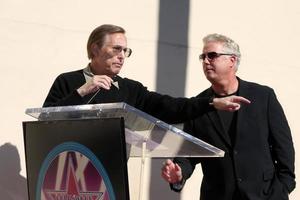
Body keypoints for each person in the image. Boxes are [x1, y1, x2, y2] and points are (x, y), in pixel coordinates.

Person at [161, 33, 295, 200]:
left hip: (265, 195)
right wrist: (179, 174)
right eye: (203, 56)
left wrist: (284, 186)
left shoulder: (263, 96)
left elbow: (283, 145)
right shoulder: (199, 105)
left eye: (212, 55)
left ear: (232, 60)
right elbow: (188, 153)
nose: (205, 61)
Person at [43, 24, 250, 125]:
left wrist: (212, 103)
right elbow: (44, 120)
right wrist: (81, 92)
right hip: (66, 170)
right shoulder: (68, 81)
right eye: (116, 49)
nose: (122, 56)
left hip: (109, 175)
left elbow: (172, 107)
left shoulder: (131, 90)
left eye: (125, 51)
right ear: (95, 49)